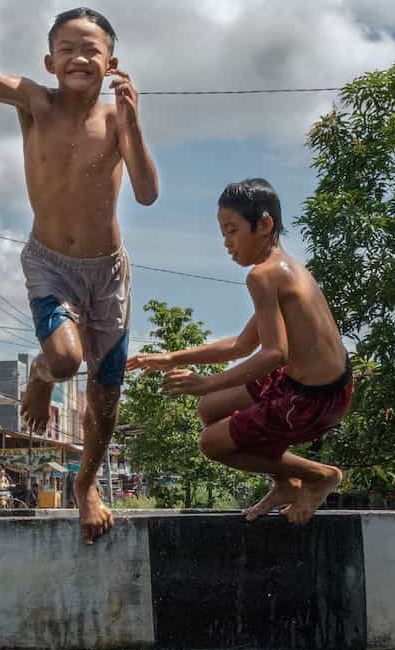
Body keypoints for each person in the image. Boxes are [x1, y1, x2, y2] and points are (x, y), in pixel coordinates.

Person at [0, 0, 160, 544]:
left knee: (106, 401)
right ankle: (41, 373)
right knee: (64, 360)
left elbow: (146, 193)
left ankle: (87, 485)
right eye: (67, 48)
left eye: (91, 49)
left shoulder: (116, 119)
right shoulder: (34, 102)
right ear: (49, 60)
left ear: (112, 62)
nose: (79, 57)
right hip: (50, 263)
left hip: (107, 271)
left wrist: (132, 120)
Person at [129, 179, 352, 526]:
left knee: (211, 443)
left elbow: (274, 353)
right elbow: (242, 345)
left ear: (264, 225)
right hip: (319, 385)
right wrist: (173, 358)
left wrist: (207, 382)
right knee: (210, 408)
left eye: (232, 230)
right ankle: (285, 481)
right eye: (222, 232)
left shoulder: (263, 276)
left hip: (313, 399)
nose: (226, 243)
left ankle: (320, 475)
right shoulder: (285, 268)